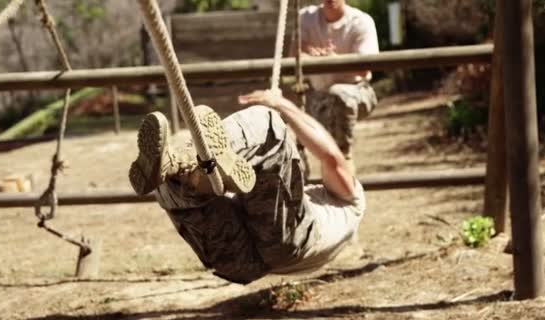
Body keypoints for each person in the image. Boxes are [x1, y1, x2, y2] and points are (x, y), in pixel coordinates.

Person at [128, 89, 365, 284]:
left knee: (267, 126)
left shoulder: (354, 201)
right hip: (243, 265)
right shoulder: (330, 219)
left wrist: (281, 104)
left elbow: (333, 158)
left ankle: (187, 156)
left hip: (281, 246)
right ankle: (178, 168)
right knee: (177, 186)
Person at [294, 0, 379, 173]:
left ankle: (344, 160)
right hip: (316, 96)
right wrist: (311, 54)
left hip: (356, 92)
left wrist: (334, 59)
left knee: (338, 95)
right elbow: (294, 54)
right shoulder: (305, 17)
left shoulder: (361, 21)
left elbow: (365, 66)